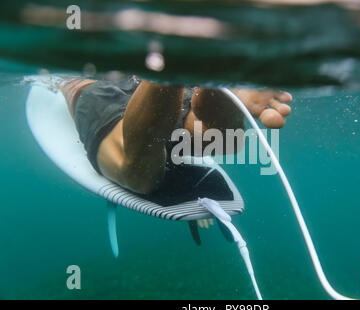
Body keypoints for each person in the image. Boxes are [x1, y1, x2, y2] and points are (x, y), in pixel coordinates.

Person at [60, 76, 292, 227]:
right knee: (221, 141)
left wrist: (61, 83)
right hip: (140, 79)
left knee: (139, 173)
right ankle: (175, 80)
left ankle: (167, 76)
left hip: (96, 84)